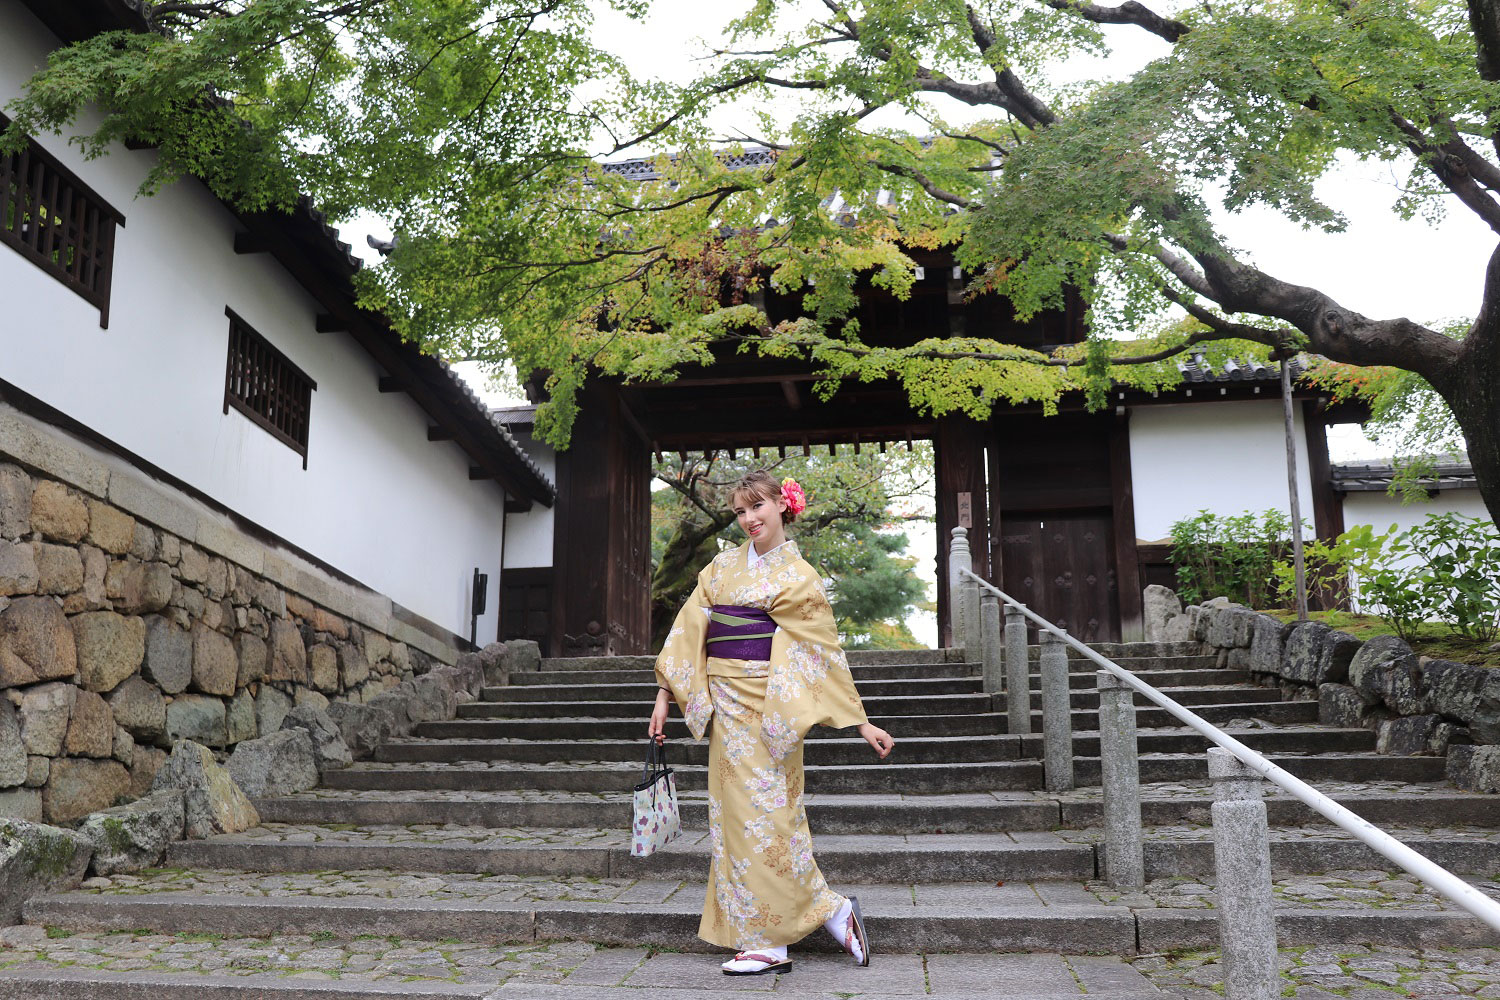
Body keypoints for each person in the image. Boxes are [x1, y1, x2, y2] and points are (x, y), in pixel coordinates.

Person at [648, 470, 896, 976]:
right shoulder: (720, 568)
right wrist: (664, 695)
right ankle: (804, 922)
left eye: (757, 506)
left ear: (783, 505)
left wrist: (859, 722)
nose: (748, 518)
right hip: (724, 706)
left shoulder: (798, 576)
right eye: (740, 511)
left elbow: (822, 652)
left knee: (769, 819)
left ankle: (779, 935)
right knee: (736, 822)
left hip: (769, 711)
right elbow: (689, 630)